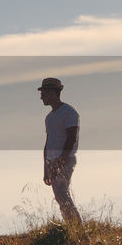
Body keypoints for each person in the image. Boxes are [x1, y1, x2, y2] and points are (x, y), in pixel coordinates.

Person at [39, 77, 81, 224]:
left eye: (43, 92)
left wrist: (62, 160)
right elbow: (48, 142)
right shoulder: (49, 117)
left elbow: (71, 138)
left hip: (65, 159)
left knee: (61, 193)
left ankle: (76, 227)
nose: (41, 96)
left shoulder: (69, 112)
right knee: (59, 195)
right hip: (52, 161)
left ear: (52, 92)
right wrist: (46, 167)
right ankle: (72, 226)